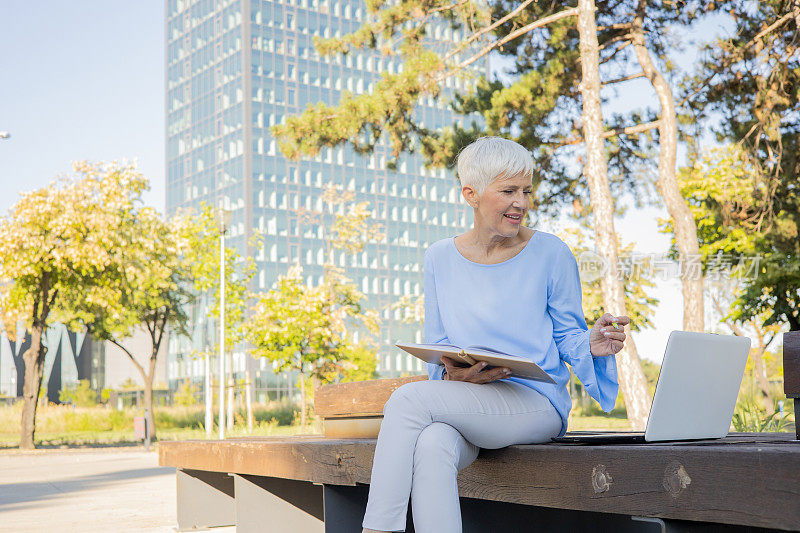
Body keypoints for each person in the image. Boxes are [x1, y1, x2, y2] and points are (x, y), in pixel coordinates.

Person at [361, 137, 629, 533]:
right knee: (433, 443)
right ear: (470, 194)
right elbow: (438, 346)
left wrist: (591, 344)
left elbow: (568, 334)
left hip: (535, 403)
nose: (521, 202)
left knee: (406, 399)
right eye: (508, 191)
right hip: (470, 398)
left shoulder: (551, 253)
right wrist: (455, 375)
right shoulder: (438, 257)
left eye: (525, 190)